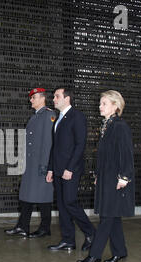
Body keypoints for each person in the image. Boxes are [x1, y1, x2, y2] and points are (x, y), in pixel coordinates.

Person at [77, 90, 135, 262]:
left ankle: (94, 256)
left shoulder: (120, 126)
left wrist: (124, 177)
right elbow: (104, 156)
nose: (99, 106)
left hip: (116, 179)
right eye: (100, 103)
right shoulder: (107, 126)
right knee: (112, 216)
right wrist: (97, 175)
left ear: (115, 106)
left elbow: (126, 154)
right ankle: (120, 251)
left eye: (104, 103)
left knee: (106, 218)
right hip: (106, 178)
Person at [46, 87, 96, 251]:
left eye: (57, 96)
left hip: (70, 170)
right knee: (61, 204)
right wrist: (51, 169)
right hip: (58, 169)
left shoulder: (77, 116)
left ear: (67, 98)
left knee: (70, 202)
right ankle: (68, 240)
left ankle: (91, 233)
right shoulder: (58, 118)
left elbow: (80, 144)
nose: (53, 99)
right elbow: (55, 147)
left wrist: (70, 168)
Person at [5, 88, 55, 238]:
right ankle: (22, 226)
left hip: (40, 163)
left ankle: (45, 228)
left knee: (44, 197)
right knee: (26, 195)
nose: (31, 101)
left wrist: (46, 166)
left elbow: (48, 142)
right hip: (31, 164)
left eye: (33, 98)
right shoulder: (35, 117)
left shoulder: (49, 115)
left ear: (41, 98)